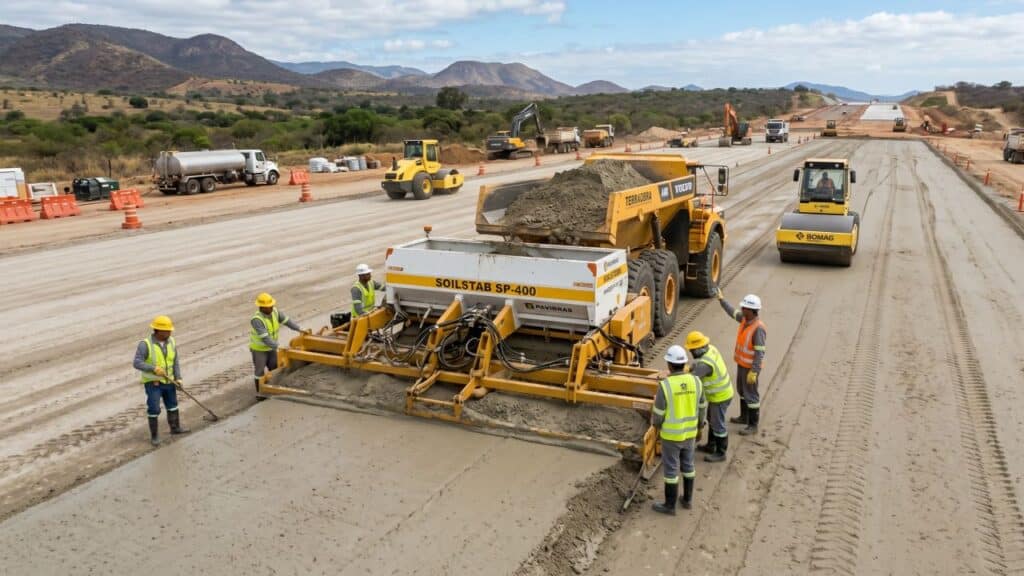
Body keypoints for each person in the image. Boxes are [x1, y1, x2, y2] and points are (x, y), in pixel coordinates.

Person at [651, 345, 706, 515]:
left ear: (669, 365)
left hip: (671, 437)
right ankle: (687, 500)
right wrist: (700, 426)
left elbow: (658, 414)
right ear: (684, 364)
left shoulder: (666, 386)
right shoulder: (696, 381)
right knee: (688, 466)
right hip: (690, 434)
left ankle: (669, 506)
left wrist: (656, 428)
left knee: (671, 470)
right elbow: (702, 406)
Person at [133, 315, 188, 446]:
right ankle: (155, 436)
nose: (170, 332)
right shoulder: (145, 345)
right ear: (158, 330)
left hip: (169, 382)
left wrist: (178, 378)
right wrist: (153, 369)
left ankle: (175, 428)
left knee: (173, 404)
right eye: (167, 330)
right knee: (154, 408)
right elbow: (137, 363)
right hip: (154, 384)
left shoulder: (172, 342)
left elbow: (175, 362)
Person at [718, 289, 766, 435]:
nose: (742, 309)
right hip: (742, 364)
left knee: (751, 395)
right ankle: (744, 417)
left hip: (750, 368)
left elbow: (759, 353)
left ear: (752, 310)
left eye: (744, 307)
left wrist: (754, 371)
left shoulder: (758, 329)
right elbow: (732, 312)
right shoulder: (745, 320)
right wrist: (721, 300)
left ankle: (753, 425)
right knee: (742, 391)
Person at [686, 331, 733, 462]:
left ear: (698, 348)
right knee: (712, 419)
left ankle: (721, 452)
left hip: (720, 397)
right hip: (721, 394)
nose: (691, 352)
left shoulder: (705, 364)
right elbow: (697, 365)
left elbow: (692, 379)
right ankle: (711, 446)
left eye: (691, 350)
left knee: (718, 425)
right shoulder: (711, 349)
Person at [250, 292, 301, 393]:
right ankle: (259, 392)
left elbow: (287, 321)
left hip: (271, 348)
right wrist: (279, 347)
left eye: (272, 305)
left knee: (274, 367)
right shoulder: (257, 320)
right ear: (262, 307)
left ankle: (272, 387)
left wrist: (299, 329)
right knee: (259, 371)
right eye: (269, 306)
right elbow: (265, 338)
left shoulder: (275, 312)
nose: (271, 307)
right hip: (259, 350)